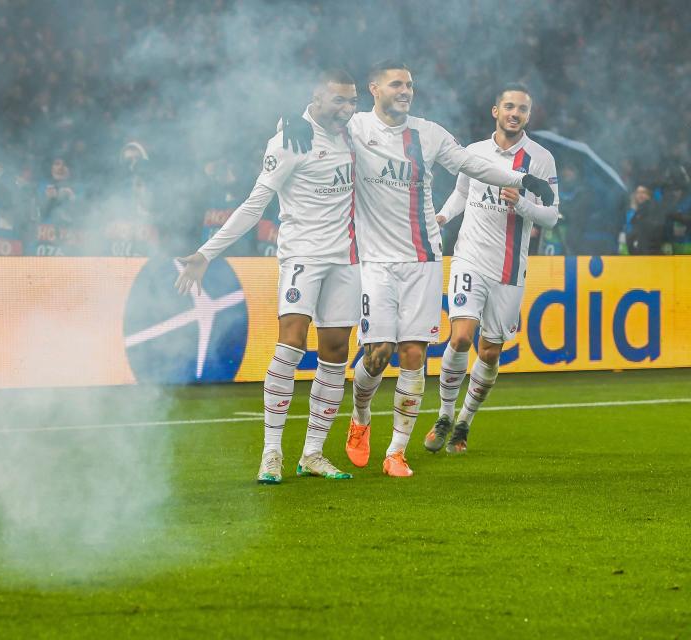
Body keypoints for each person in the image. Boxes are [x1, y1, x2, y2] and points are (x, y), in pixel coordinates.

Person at [283, 61, 554, 477]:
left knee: (414, 354)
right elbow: (322, 115)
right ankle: (360, 417)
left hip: (424, 259)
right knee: (378, 354)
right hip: (374, 261)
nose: (405, 90)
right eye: (396, 84)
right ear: (375, 88)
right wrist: (295, 117)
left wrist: (518, 177)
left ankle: (396, 451)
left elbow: (472, 165)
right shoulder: (355, 127)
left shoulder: (429, 134)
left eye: (409, 84)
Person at [175, 69, 361, 484]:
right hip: (302, 257)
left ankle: (312, 453)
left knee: (335, 352)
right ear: (317, 96)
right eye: (338, 101)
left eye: (352, 102)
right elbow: (255, 203)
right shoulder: (289, 141)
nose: (347, 109)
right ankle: (271, 452)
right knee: (291, 344)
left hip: (347, 259)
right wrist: (207, 253)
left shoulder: (353, 133)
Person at [426, 83, 560, 454]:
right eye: (509, 106)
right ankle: (444, 415)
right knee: (460, 337)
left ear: (528, 116)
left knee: (488, 352)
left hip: (510, 270)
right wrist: (442, 215)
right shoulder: (474, 153)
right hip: (469, 256)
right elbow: (462, 193)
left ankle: (464, 423)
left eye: (522, 108)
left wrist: (523, 206)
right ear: (495, 111)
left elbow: (551, 215)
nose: (515, 113)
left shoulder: (541, 160)